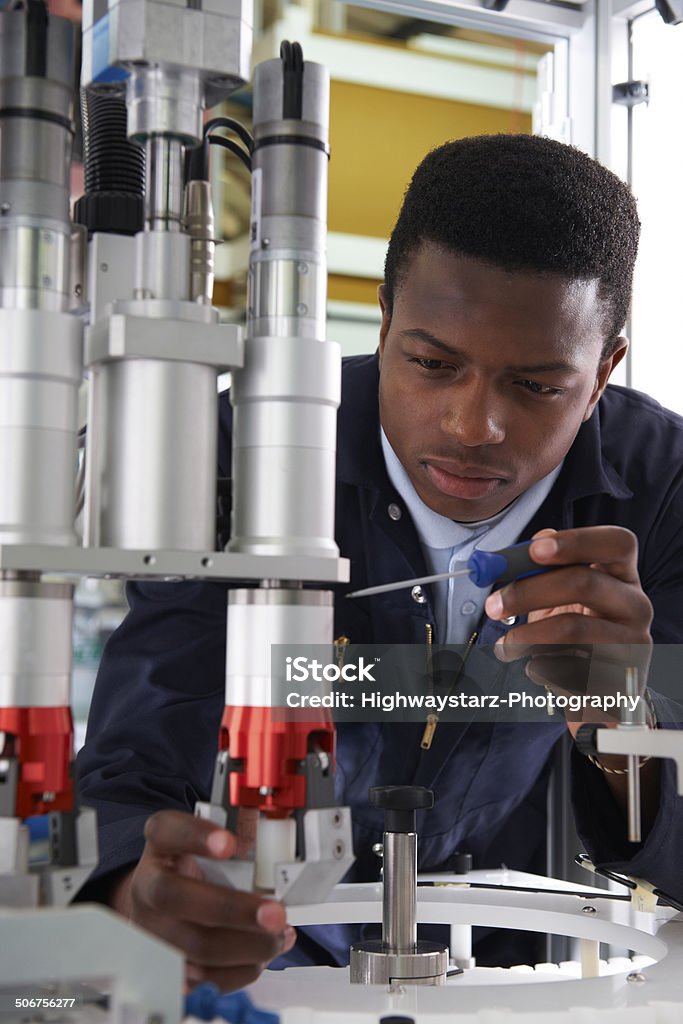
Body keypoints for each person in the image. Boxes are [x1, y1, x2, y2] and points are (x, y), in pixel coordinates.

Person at [76, 133, 683, 990]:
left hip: (502, 954)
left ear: (602, 371)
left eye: (538, 386)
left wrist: (626, 728)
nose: (474, 427)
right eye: (432, 364)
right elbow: (141, 747)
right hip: (265, 943)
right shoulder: (247, 444)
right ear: (386, 320)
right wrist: (129, 896)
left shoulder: (660, 488)